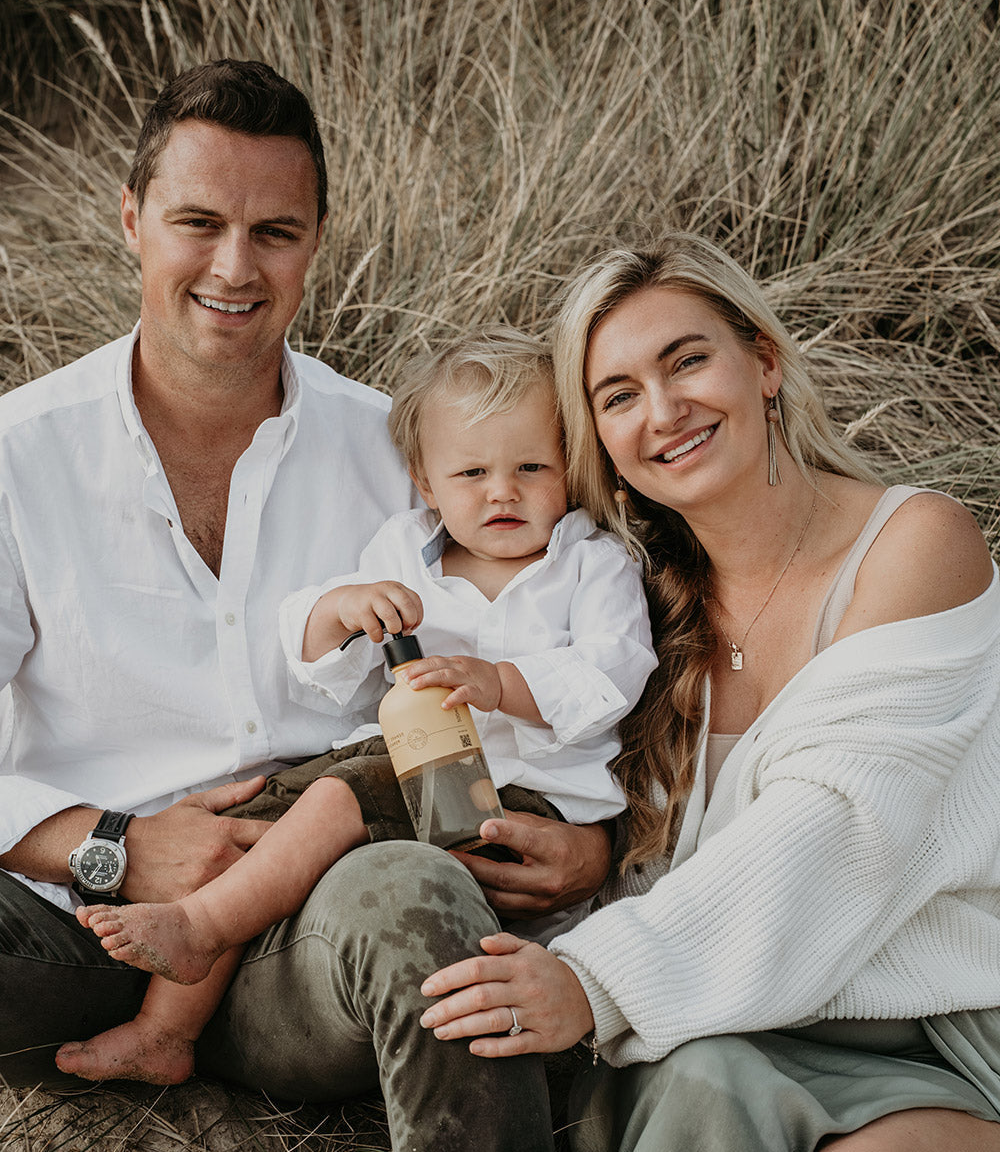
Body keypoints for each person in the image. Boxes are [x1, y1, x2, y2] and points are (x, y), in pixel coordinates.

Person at [0, 59, 613, 1152]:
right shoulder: (18, 453)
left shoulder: (405, 456)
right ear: (132, 218)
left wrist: (592, 849)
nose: (235, 267)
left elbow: (548, 646)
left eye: (275, 231)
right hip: (76, 924)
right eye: (198, 221)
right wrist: (114, 845)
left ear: (316, 238)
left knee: (414, 895)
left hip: (313, 933)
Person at [413, 233, 1000, 1151]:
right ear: (598, 442)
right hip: (732, 1031)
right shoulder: (630, 613)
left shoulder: (915, 546)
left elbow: (836, 835)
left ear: (763, 362)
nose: (664, 410)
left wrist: (593, 982)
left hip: (941, 1023)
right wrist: (595, 853)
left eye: (687, 360)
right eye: (618, 396)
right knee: (701, 1083)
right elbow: (660, 845)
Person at [69, 327, 655, 1087]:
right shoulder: (402, 551)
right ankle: (164, 1030)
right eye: (472, 471)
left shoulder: (589, 563)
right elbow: (325, 673)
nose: (502, 491)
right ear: (424, 480)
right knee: (255, 831)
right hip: (409, 775)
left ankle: (200, 927)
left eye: (531, 468)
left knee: (339, 797)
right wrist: (341, 611)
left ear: (571, 469)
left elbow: (614, 672)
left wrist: (502, 684)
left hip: (524, 797)